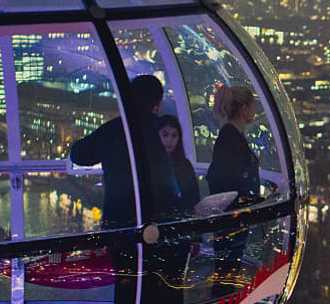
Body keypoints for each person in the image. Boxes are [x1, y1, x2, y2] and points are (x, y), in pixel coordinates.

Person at [70, 75, 179, 228]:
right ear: (158, 103)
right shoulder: (164, 131)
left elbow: (78, 155)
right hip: (160, 221)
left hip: (118, 220)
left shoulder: (114, 130)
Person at [206, 85, 261, 207]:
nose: (255, 111)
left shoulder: (232, 136)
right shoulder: (230, 138)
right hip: (235, 214)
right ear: (244, 108)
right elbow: (232, 184)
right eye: (253, 105)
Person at [157, 115, 200, 213]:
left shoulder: (185, 165)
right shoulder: (151, 166)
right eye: (165, 135)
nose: (169, 140)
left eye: (174, 135)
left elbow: (195, 197)